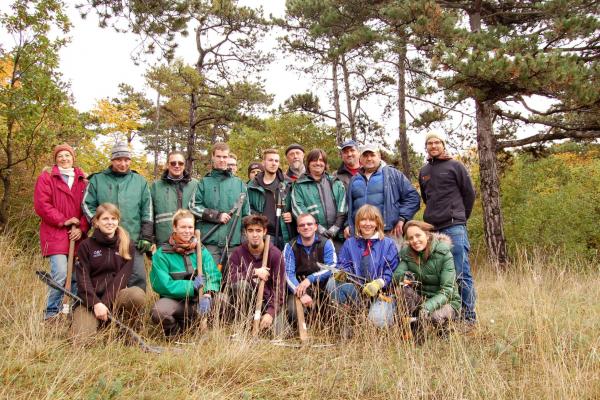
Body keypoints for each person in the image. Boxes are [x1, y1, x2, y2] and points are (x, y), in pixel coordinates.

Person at [419, 131, 477, 325]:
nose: (433, 146)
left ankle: (468, 317)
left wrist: (460, 216)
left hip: (455, 227)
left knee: (461, 272)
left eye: (437, 142)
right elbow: (426, 199)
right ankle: (447, 315)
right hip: (433, 230)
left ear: (443, 145)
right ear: (426, 147)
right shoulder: (424, 171)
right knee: (439, 275)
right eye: (430, 143)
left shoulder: (456, 166)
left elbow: (469, 194)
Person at [82, 142, 153, 291]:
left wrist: (146, 236)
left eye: (126, 159)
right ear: (112, 160)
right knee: (106, 278)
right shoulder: (97, 180)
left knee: (137, 277)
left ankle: (134, 312)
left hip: (133, 238)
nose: (123, 163)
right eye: (119, 159)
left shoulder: (139, 181)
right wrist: (97, 222)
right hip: (104, 240)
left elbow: (147, 209)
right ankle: (106, 309)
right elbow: (86, 204)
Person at [72, 203, 146, 343]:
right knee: (81, 341)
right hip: (89, 303)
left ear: (118, 221)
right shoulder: (86, 246)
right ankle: (99, 327)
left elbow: (121, 279)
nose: (110, 222)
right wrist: (96, 303)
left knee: (136, 294)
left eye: (114, 218)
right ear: (96, 222)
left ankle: (123, 332)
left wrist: (104, 304)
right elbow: (83, 279)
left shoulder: (127, 245)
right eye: (105, 219)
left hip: (114, 299)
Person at [34, 143, 89, 321]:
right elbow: (42, 205)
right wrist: (63, 220)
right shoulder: (47, 177)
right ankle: (52, 314)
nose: (64, 159)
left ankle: (69, 313)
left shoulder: (83, 180)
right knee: (59, 273)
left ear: (73, 158)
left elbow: (89, 207)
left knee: (74, 276)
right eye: (60, 156)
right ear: (55, 159)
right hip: (55, 233)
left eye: (67, 155)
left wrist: (82, 228)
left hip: (77, 236)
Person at [149, 210, 221, 336]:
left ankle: (202, 328)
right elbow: (162, 284)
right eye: (183, 227)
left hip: (199, 302)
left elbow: (214, 275)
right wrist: (191, 286)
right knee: (159, 311)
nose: (187, 231)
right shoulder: (162, 254)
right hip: (176, 304)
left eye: (190, 227)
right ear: (174, 228)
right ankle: (176, 334)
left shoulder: (201, 250)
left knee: (223, 300)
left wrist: (208, 293)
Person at [327, 205, 399, 329]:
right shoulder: (350, 243)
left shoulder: (388, 244)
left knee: (376, 322)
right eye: (363, 220)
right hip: (358, 292)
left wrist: (379, 283)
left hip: (382, 294)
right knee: (332, 283)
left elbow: (392, 270)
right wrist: (343, 272)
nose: (367, 224)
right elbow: (344, 264)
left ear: (377, 223)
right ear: (358, 223)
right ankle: (350, 320)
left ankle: (378, 317)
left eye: (371, 220)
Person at [393, 220, 461, 337]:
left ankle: (444, 328)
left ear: (427, 234)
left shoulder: (444, 253)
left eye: (418, 235)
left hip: (446, 302)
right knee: (403, 291)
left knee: (434, 316)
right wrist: (406, 276)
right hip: (422, 299)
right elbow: (396, 277)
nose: (415, 240)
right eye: (410, 238)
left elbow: (447, 291)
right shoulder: (407, 253)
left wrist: (426, 308)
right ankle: (411, 330)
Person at [189, 142, 249, 266]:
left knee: (232, 281)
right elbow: (193, 207)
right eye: (219, 156)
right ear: (212, 157)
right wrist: (216, 216)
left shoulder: (240, 184)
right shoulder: (204, 183)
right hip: (210, 243)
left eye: (225, 157)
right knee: (209, 279)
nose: (222, 160)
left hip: (233, 243)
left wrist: (244, 240)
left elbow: (246, 216)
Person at [225, 215, 286, 334]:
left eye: (258, 230)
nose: (254, 235)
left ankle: (263, 322)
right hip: (246, 303)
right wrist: (253, 272)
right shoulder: (238, 253)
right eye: (250, 231)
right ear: (245, 233)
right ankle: (245, 323)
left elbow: (279, 289)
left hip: (267, 302)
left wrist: (271, 313)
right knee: (240, 285)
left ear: (264, 232)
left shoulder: (275, 254)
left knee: (279, 335)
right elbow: (230, 279)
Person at [346, 144, 420, 239]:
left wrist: (402, 218)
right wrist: (347, 224)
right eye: (365, 156)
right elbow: (348, 207)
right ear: (360, 158)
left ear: (379, 156)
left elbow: (413, 197)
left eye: (372, 155)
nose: (369, 158)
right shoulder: (354, 179)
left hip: (388, 232)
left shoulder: (393, 174)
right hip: (361, 233)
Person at [284, 213, 335, 325]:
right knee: (293, 311)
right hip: (299, 288)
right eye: (302, 225)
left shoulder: (326, 243)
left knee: (332, 312)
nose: (306, 227)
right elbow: (288, 274)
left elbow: (331, 267)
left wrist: (310, 279)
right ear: (297, 229)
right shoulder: (290, 246)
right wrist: (301, 294)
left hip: (323, 288)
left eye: (309, 224)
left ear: (315, 226)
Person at [290, 149, 347, 249]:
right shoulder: (299, 185)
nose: (318, 163)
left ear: (325, 164)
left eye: (321, 160)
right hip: (312, 238)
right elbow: (298, 209)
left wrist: (336, 228)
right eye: (314, 160)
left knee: (339, 264)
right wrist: (318, 228)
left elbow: (343, 205)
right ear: (308, 163)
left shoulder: (336, 183)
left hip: (338, 237)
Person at [247, 149, 293, 249]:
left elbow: (296, 205)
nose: (274, 163)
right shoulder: (252, 185)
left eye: (276, 161)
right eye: (270, 160)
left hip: (286, 234)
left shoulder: (288, 183)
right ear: (263, 163)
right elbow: (248, 208)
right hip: (264, 235)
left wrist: (291, 214)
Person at [150, 151, 198, 245]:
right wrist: (151, 240)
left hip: (190, 242)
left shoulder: (195, 185)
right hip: (164, 242)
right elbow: (150, 214)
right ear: (167, 165)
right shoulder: (156, 186)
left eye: (180, 163)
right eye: (173, 163)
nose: (177, 166)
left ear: (184, 165)